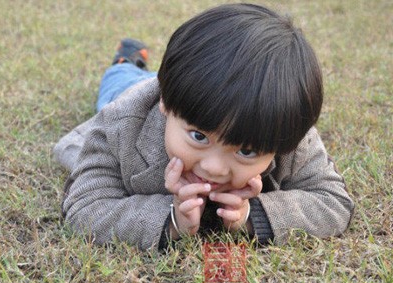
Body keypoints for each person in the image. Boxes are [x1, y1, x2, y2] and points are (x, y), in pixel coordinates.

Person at [53, 3, 354, 251]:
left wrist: (252, 214)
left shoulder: (282, 131)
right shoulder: (123, 123)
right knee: (119, 80)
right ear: (167, 105)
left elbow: (332, 201)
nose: (214, 168)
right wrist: (172, 219)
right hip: (135, 91)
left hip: (187, 97)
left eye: (246, 151)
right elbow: (86, 207)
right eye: (198, 137)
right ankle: (125, 59)